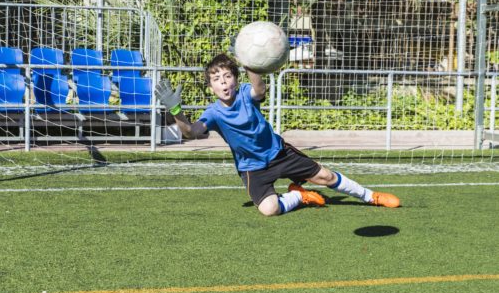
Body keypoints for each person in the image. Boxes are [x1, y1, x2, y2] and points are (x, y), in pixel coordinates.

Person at [155, 53, 400, 217]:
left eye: (228, 76)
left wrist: (250, 61)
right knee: (269, 209)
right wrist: (176, 111)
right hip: (252, 167)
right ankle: (298, 195)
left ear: (236, 79)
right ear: (211, 87)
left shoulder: (245, 94)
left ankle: (371, 196)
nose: (224, 82)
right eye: (217, 79)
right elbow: (191, 132)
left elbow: (260, 89)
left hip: (279, 153)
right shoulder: (214, 113)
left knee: (324, 176)